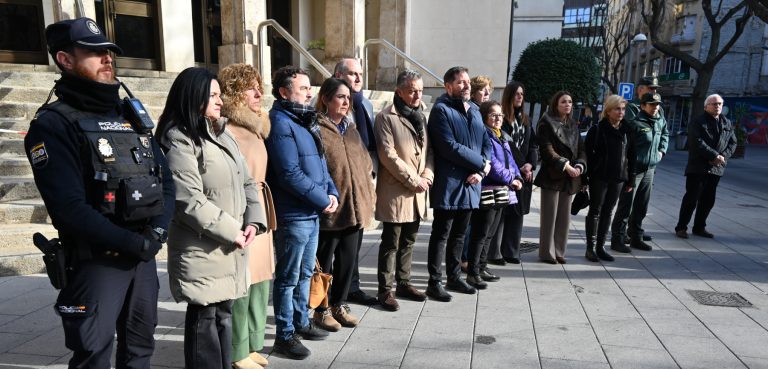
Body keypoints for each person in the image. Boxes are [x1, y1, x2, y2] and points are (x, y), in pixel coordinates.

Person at [24, 17, 174, 368]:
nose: (108, 58)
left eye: (108, 51)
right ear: (65, 59)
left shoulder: (129, 113)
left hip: (143, 254)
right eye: (94, 52)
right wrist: (135, 243)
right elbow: (69, 209)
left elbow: (166, 180)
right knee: (93, 354)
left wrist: (157, 233)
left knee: (140, 350)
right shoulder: (52, 124)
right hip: (96, 261)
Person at [156, 67, 267, 369]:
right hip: (202, 247)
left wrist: (253, 223)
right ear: (193, 97)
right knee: (204, 320)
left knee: (224, 315)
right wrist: (233, 230)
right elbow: (188, 198)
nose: (220, 101)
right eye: (213, 95)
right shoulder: (178, 139)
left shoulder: (221, 133)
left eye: (220, 94)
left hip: (230, 243)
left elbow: (247, 182)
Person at [266, 66, 338, 360]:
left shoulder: (305, 119)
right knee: (288, 277)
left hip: (311, 211)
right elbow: (288, 173)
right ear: (284, 92)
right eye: (303, 88)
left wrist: (331, 191)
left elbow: (321, 164)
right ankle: (285, 335)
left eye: (310, 87)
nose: (310, 93)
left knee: (306, 272)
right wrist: (322, 199)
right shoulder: (280, 121)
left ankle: (301, 321)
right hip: (294, 213)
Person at [218, 63, 276, 369]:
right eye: (249, 87)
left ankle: (253, 344)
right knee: (242, 284)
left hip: (261, 211)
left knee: (260, 282)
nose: (258, 93)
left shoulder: (257, 125)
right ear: (232, 93)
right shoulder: (226, 129)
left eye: (258, 86)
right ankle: (237, 350)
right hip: (241, 214)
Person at [311, 78, 375, 331]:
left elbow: (364, 161)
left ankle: (340, 304)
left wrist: (368, 189)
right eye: (340, 96)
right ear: (325, 99)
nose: (346, 101)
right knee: (324, 264)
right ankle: (321, 309)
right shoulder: (315, 127)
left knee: (348, 262)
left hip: (355, 207)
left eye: (348, 97)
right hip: (330, 211)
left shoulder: (351, 127)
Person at [426, 66, 492, 302]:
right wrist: (481, 164)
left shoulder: (474, 109)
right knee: (442, 234)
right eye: (460, 82)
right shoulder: (441, 110)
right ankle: (435, 282)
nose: (466, 86)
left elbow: (486, 140)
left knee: (460, 235)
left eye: (467, 82)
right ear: (448, 86)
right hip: (450, 182)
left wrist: (483, 170)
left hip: (471, 183)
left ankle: (454, 277)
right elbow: (448, 146)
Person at [373, 70, 433, 311]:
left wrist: (427, 175)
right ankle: (385, 290)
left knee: (409, 240)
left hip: (418, 189)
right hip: (397, 190)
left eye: (420, 90)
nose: (418, 95)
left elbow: (429, 151)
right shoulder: (385, 117)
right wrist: (413, 179)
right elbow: (388, 155)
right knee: (391, 242)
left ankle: (404, 282)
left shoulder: (421, 116)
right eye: (412, 90)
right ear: (399, 91)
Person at [333, 57, 379, 306]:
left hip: (363, 180)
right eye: (353, 74)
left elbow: (369, 143)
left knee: (355, 241)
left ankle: (352, 287)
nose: (359, 79)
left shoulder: (366, 105)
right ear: (339, 76)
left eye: (361, 73)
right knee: (337, 244)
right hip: (340, 184)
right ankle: (332, 293)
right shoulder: (332, 106)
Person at [465, 101, 523, 289]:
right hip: (489, 190)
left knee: (490, 234)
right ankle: (473, 272)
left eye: (500, 115)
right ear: (484, 117)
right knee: (480, 233)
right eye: (493, 115)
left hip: (502, 191)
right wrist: (510, 179)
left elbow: (511, 161)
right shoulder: (485, 136)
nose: (498, 118)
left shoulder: (502, 137)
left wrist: (517, 176)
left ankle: (482, 267)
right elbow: (492, 164)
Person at [610, 92, 668, 252]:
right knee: (626, 206)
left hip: (650, 169)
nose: (655, 107)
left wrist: (662, 151)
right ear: (643, 106)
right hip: (634, 171)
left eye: (657, 105)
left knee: (642, 205)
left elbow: (665, 135)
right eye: (651, 104)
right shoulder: (634, 124)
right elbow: (625, 149)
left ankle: (636, 237)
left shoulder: (659, 121)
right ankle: (618, 239)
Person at [534, 91, 587, 264]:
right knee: (549, 216)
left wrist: (579, 165)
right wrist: (566, 165)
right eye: (563, 102)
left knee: (564, 217)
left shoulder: (573, 123)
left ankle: (559, 251)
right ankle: (547, 253)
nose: (567, 104)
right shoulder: (546, 122)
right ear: (556, 104)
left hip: (571, 176)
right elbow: (546, 150)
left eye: (570, 102)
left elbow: (581, 148)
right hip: (553, 174)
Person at [674, 94, 737, 239]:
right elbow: (696, 142)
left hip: (716, 169)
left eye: (720, 104)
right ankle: (681, 227)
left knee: (708, 200)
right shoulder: (698, 122)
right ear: (706, 106)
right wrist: (714, 156)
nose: (717, 106)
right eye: (714, 104)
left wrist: (722, 157)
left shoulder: (726, 122)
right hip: (698, 167)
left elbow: (733, 143)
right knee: (691, 199)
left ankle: (699, 227)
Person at [583, 95, 636, 262]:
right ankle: (590, 248)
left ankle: (601, 247)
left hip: (619, 178)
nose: (621, 112)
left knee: (608, 212)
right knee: (595, 211)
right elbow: (587, 155)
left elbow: (632, 156)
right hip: (599, 177)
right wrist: (585, 178)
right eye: (617, 109)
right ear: (608, 111)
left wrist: (631, 179)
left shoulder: (627, 130)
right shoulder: (597, 129)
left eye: (623, 109)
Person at [492, 81, 538, 265]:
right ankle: (495, 253)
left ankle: (511, 251)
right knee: (501, 213)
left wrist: (530, 164)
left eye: (522, 94)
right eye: (517, 94)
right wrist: (520, 166)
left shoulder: (525, 121)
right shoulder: (502, 120)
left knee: (517, 214)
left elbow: (533, 144)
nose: (520, 97)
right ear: (509, 96)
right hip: (507, 172)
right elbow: (507, 147)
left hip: (523, 172)